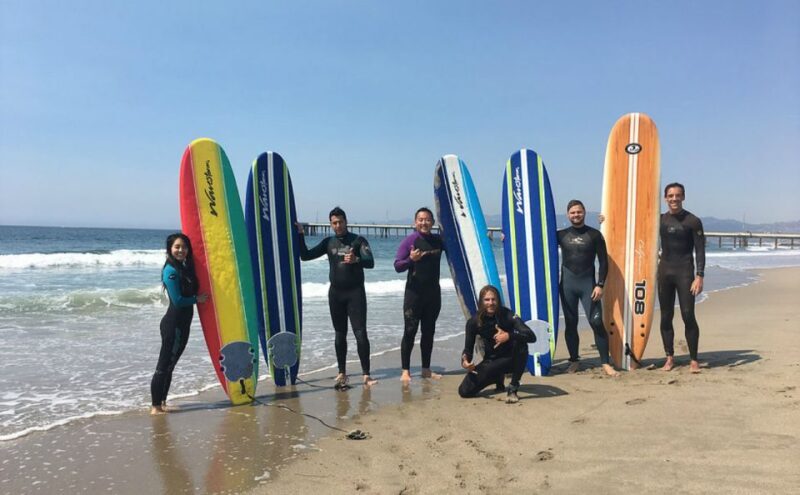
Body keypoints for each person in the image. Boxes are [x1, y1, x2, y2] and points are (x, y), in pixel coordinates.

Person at [297, 207, 377, 389]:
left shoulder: (358, 240)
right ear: (331, 224)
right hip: (335, 294)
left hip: (355, 293)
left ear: (346, 221)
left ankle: (366, 374)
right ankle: (342, 372)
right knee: (339, 334)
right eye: (334, 222)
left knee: (360, 333)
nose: (338, 225)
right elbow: (305, 256)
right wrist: (300, 235)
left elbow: (371, 262)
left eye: (340, 221)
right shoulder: (328, 242)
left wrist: (357, 260)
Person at [557, 200, 618, 376]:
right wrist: (505, 237)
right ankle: (574, 360)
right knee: (570, 323)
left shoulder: (594, 235)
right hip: (567, 285)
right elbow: (537, 243)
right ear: (568, 215)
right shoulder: (560, 235)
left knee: (597, 322)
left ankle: (605, 363)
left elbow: (604, 262)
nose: (576, 215)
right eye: (573, 212)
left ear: (584, 213)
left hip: (588, 285)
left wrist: (600, 285)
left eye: (579, 212)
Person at [150, 233, 207, 415]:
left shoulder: (184, 268)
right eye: (177, 247)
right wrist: (198, 299)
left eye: (184, 247)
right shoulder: (171, 271)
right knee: (163, 365)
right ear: (170, 249)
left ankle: (163, 402)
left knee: (171, 365)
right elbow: (178, 300)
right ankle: (155, 406)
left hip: (183, 324)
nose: (181, 250)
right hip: (173, 324)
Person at [459, 285, 536, 403]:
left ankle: (513, 387)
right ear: (481, 302)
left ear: (498, 300)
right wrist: (465, 361)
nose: (491, 303)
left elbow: (531, 336)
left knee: (521, 343)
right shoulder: (473, 322)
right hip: (492, 362)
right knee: (464, 392)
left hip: (511, 359)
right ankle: (497, 377)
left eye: (493, 299)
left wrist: (509, 335)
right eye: (487, 300)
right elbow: (468, 350)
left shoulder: (507, 314)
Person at [394, 207, 444, 383]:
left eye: (428, 219)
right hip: (414, 295)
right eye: (421, 219)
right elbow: (397, 266)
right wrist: (411, 260)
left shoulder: (438, 241)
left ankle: (426, 369)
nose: (424, 223)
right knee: (410, 331)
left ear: (432, 222)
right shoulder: (410, 241)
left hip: (433, 295)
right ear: (415, 222)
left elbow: (458, 247)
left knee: (428, 332)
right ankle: (405, 370)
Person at [659, 183, 705, 373]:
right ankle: (669, 357)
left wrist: (699, 276)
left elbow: (700, 250)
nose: (674, 199)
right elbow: (634, 226)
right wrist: (605, 219)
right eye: (670, 196)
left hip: (685, 272)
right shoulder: (660, 219)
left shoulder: (693, 221)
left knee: (688, 315)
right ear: (665, 198)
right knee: (666, 316)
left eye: (677, 195)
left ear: (683, 197)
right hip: (664, 273)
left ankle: (693, 359)